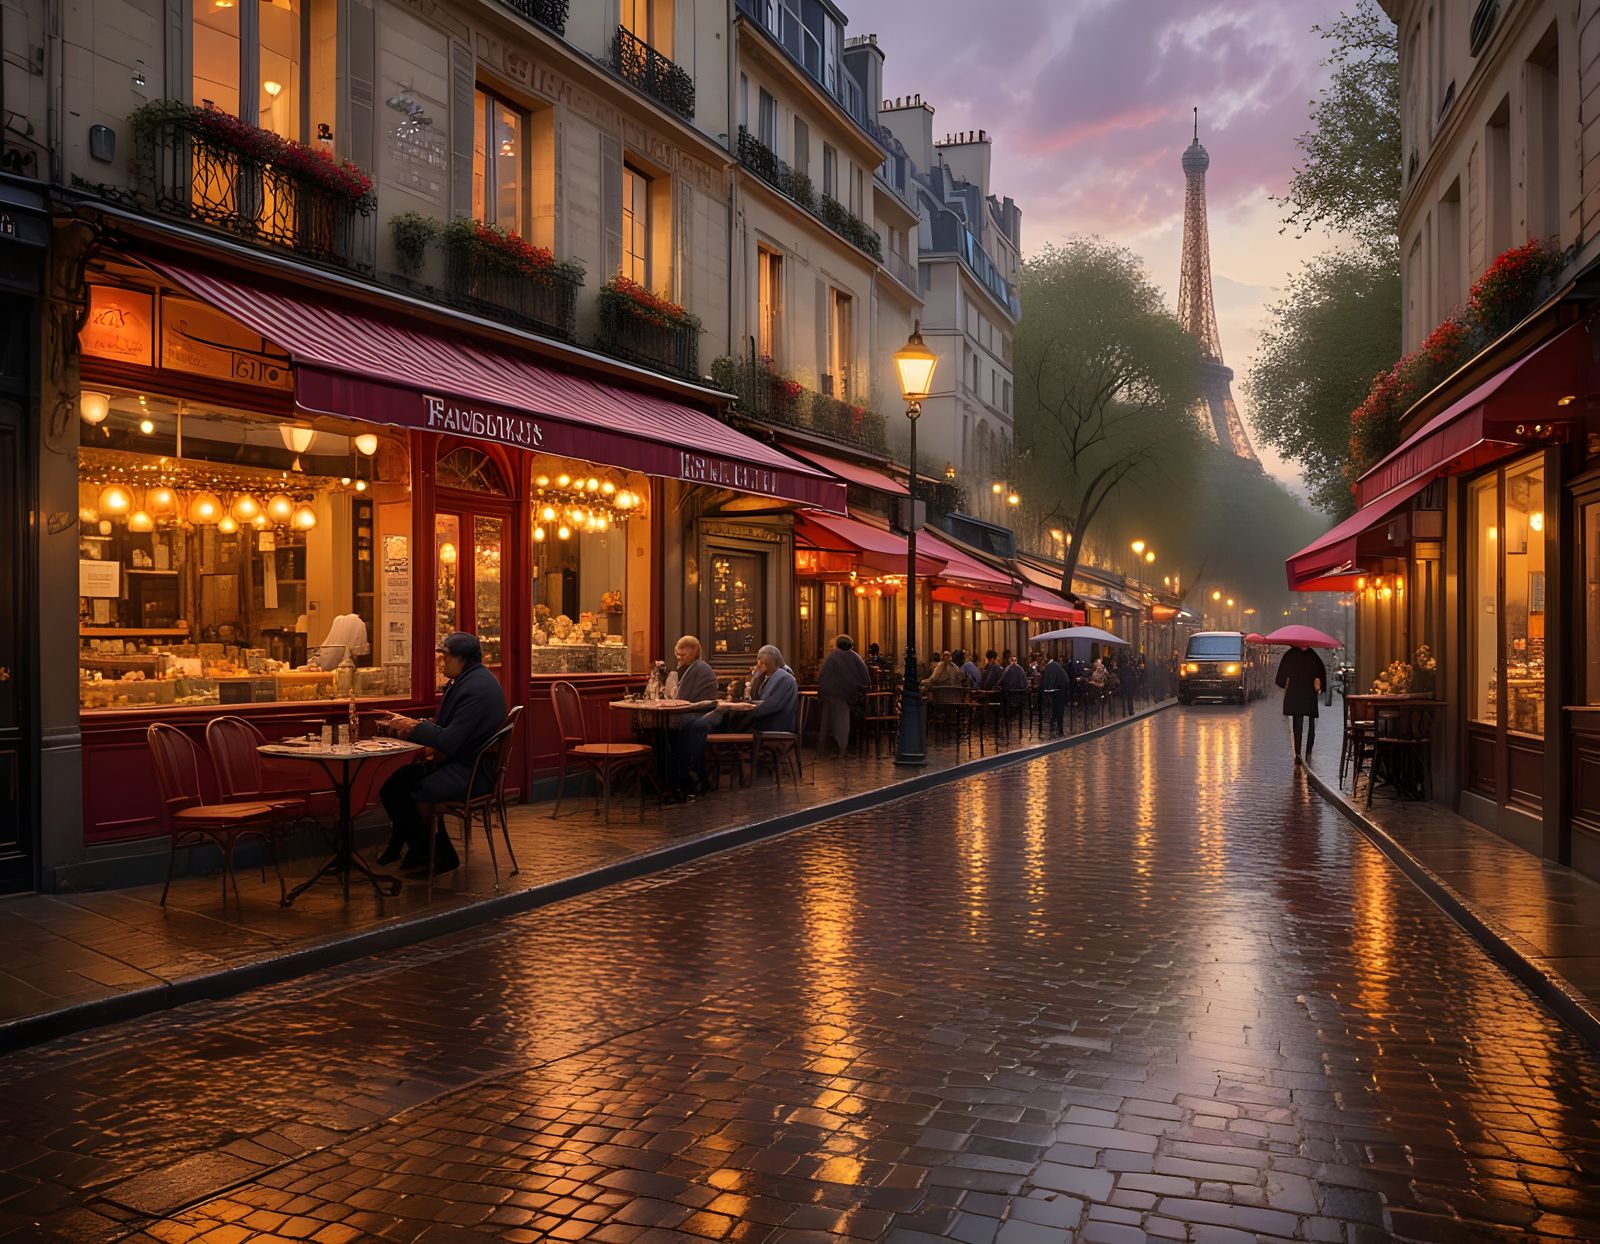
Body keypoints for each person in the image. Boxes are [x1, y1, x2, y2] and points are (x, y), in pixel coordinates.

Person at [377, 632, 506, 877]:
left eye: (445, 657)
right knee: (396, 782)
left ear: (463, 659)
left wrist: (413, 726)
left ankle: (438, 855)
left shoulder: (475, 689)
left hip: (472, 773)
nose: (441, 662)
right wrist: (420, 728)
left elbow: (449, 741)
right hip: (466, 763)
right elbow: (453, 732)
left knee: (407, 789)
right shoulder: (473, 681)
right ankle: (419, 851)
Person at [681, 645, 798, 782]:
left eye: (760, 661)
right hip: (761, 723)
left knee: (705, 725)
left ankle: (696, 769)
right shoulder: (770, 678)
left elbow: (768, 707)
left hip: (771, 726)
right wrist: (755, 680)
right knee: (702, 725)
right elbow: (759, 701)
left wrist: (744, 708)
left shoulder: (783, 678)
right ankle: (696, 764)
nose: (758, 664)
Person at [664, 635, 718, 797]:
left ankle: (679, 777)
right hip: (697, 715)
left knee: (671, 730)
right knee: (669, 730)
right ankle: (677, 777)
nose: (679, 658)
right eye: (677, 654)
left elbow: (682, 699)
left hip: (699, 716)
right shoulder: (693, 667)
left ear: (695, 652)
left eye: (683, 655)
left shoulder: (698, 668)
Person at [816, 634, 871, 756]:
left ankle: (826, 748)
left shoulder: (833, 657)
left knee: (829, 722)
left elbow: (823, 677)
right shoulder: (856, 658)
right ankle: (841, 748)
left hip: (833, 695)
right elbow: (865, 679)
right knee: (841, 723)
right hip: (848, 697)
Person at [1275, 643, 1326, 764]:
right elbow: (1321, 673)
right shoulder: (1314, 656)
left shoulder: (1290, 655)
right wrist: (1319, 685)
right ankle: (1307, 752)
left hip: (1295, 693)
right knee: (1310, 723)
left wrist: (1283, 682)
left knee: (1297, 723)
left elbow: (1281, 678)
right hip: (1309, 694)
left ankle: (1298, 752)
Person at [1040, 653, 1070, 735]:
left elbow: (1050, 679)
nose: (1041, 660)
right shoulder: (1053, 665)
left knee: (1058, 708)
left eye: (1043, 658)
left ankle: (1059, 729)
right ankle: (1056, 726)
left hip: (1060, 689)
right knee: (1056, 707)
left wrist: (1046, 690)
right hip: (1060, 689)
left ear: (1046, 658)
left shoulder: (1051, 666)